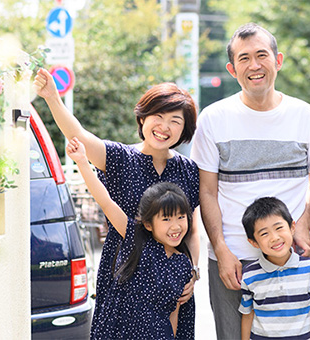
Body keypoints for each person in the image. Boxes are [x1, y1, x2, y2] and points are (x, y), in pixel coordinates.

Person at [33, 71, 200, 339]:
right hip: (123, 280)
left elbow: (191, 230)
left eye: (175, 121)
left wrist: (191, 273)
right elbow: (79, 136)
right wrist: (53, 98)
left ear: (185, 128)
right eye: (158, 116)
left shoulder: (189, 170)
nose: (164, 127)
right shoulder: (121, 158)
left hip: (171, 286)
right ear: (143, 118)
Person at [190, 23, 310, 339]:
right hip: (234, 262)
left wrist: (303, 224)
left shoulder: (305, 116)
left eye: (261, 55)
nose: (254, 65)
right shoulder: (213, 119)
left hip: (292, 260)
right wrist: (220, 249)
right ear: (232, 68)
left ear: (278, 60)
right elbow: (207, 192)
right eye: (244, 58)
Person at [67, 136, 194, 338]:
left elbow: (174, 314)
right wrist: (82, 162)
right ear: (148, 224)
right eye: (166, 219)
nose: (176, 226)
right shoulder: (136, 240)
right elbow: (107, 203)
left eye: (181, 217)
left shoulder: (183, 264)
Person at [239, 197, 310, 340]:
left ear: (292, 227)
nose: (274, 237)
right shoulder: (249, 275)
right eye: (264, 233)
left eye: (279, 228)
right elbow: (248, 314)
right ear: (253, 242)